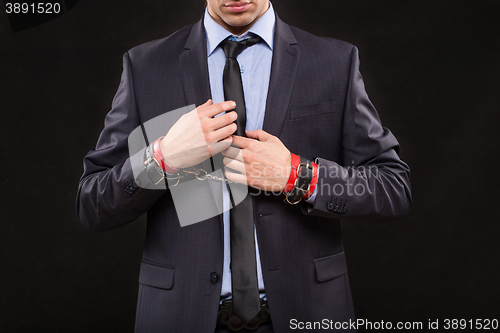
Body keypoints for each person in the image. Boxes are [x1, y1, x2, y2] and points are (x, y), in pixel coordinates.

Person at [76, 0, 412, 332]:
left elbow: (392, 189)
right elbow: (94, 205)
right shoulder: (146, 66)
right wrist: (161, 158)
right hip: (180, 317)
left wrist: (298, 176)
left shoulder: (334, 61)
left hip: (308, 313)